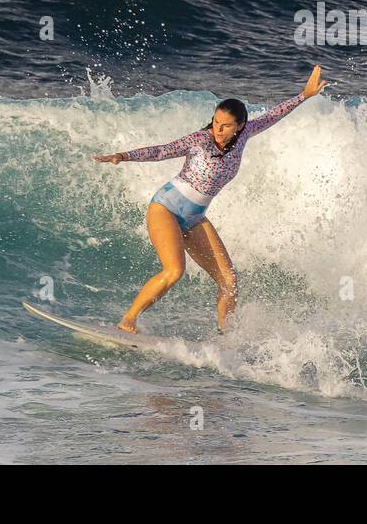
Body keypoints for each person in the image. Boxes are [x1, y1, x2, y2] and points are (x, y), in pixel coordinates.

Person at [93, 65, 328, 334]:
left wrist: (304, 95)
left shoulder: (245, 135)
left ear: (239, 126)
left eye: (226, 125)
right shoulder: (200, 140)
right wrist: (123, 156)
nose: (218, 129)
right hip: (166, 208)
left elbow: (274, 115)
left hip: (194, 218)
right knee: (174, 271)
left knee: (229, 282)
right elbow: (162, 150)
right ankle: (129, 319)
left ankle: (225, 337)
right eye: (216, 122)